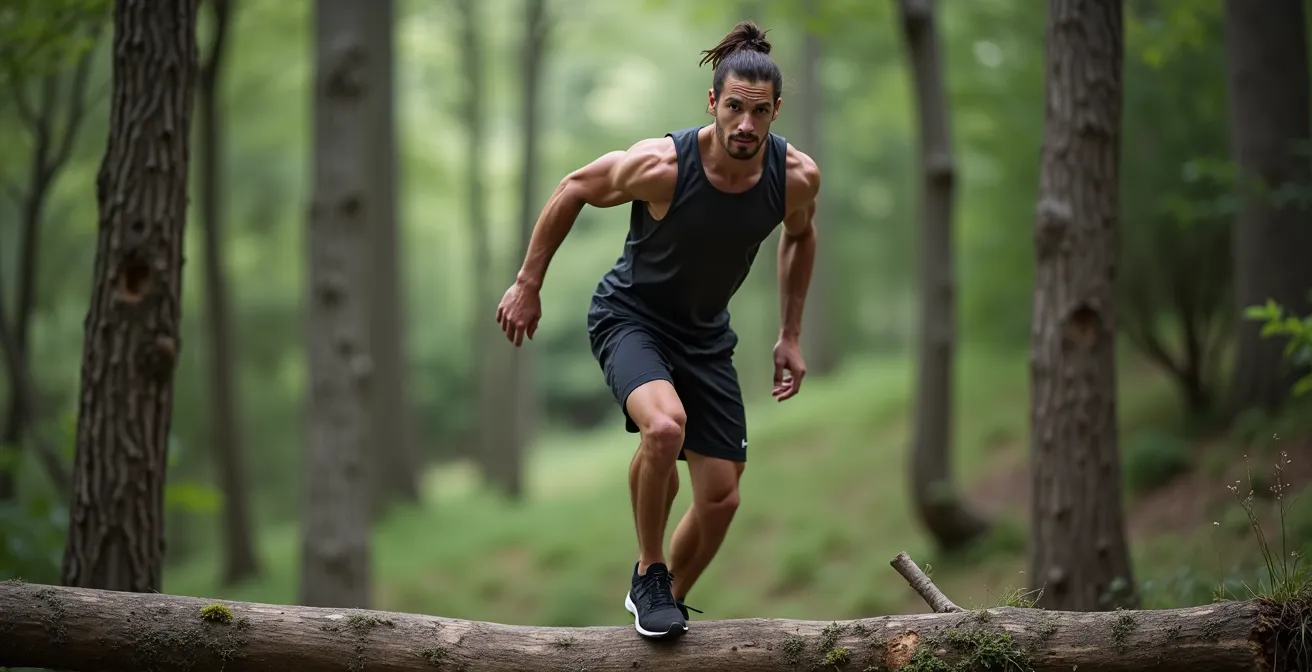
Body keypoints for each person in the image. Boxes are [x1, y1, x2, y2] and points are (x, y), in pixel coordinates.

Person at [495, 20, 820, 639]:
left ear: (776, 110)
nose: (745, 126)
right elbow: (573, 188)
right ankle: (649, 572)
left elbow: (801, 238)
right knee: (665, 426)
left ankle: (664, 606)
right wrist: (528, 282)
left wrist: (791, 333)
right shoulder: (663, 166)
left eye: (759, 113)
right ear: (712, 104)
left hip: (704, 336)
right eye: (733, 109)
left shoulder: (795, 177)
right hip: (630, 318)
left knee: (722, 499)